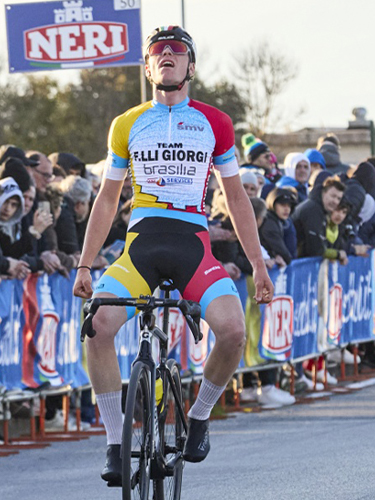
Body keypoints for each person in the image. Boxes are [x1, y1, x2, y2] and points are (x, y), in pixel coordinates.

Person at [72, 26, 274, 484]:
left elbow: (236, 198)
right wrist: (85, 264)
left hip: (192, 248)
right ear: (147, 68)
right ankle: (116, 443)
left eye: (177, 50)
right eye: (157, 52)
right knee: (96, 325)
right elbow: (107, 199)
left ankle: (199, 417)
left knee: (232, 331)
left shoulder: (215, 122)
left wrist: (259, 264)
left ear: (190, 66)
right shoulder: (126, 123)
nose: (167, 55)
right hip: (140, 248)